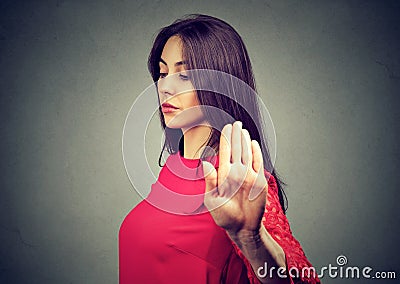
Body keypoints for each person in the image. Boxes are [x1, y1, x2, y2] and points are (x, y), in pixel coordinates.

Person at [119, 14, 320, 284]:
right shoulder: (173, 172)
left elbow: (297, 280)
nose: (165, 87)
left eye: (185, 75)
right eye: (163, 73)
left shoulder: (237, 177)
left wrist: (251, 239)